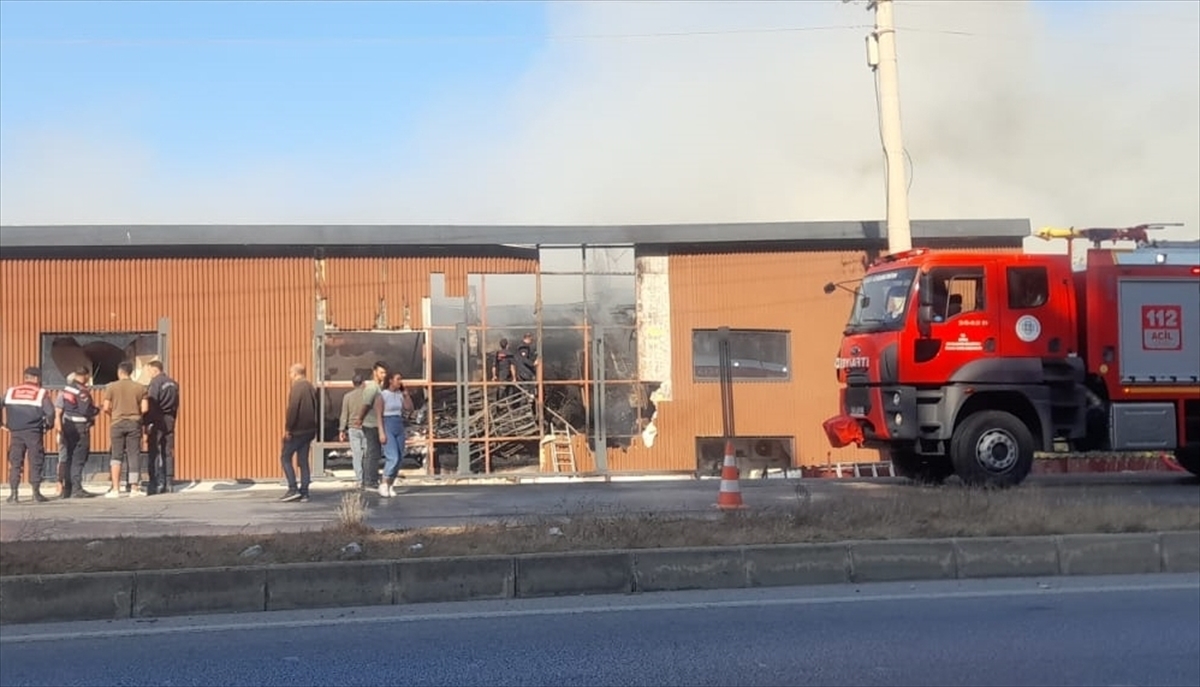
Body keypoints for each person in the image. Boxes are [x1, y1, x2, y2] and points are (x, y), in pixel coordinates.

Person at [1, 367, 56, 503]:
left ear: (25, 377)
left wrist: (2, 423)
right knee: (35, 461)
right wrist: (48, 426)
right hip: (33, 432)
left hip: (16, 432)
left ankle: (13, 495)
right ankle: (36, 494)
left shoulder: (11, 391)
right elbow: (50, 412)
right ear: (37, 378)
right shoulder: (41, 393)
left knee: (15, 462)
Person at [102, 361, 149, 498]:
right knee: (133, 455)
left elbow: (105, 407)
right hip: (134, 423)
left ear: (119, 372)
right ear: (131, 372)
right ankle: (134, 488)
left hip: (116, 423)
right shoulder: (140, 388)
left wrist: (114, 415)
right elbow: (145, 408)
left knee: (116, 456)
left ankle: (116, 489)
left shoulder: (111, 387)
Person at [56, 367, 99, 499]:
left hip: (67, 425)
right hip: (80, 427)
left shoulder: (66, 388)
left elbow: (61, 408)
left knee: (68, 457)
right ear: (85, 376)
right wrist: (96, 410)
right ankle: (77, 489)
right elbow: (85, 410)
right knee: (78, 458)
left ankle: (67, 488)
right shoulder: (82, 391)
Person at [279, 364, 318, 503]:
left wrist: (288, 428)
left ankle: (292, 488)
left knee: (285, 457)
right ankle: (305, 492)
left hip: (298, 430)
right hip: (309, 430)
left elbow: (293, 409)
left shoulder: (297, 387)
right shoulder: (311, 387)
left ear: (295, 373)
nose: (289, 376)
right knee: (303, 461)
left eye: (290, 373)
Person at [144, 360, 180, 494]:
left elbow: (152, 403)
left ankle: (154, 483)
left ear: (154, 370)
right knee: (168, 451)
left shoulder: (155, 383)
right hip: (170, 418)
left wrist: (147, 422)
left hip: (157, 418)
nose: (148, 373)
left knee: (153, 451)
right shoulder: (174, 383)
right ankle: (169, 482)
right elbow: (177, 404)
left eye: (148, 370)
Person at [379, 372, 414, 498]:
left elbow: (409, 408)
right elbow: (379, 415)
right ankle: (383, 482)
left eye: (400, 379)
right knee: (392, 456)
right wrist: (381, 432)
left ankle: (391, 484)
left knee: (399, 457)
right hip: (387, 423)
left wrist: (406, 395)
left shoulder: (399, 395)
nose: (399, 382)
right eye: (397, 379)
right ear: (390, 381)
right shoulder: (383, 395)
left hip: (398, 423)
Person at [355, 361, 388, 493]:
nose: (384, 375)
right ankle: (369, 481)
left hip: (376, 423)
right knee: (372, 453)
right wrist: (360, 418)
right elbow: (366, 404)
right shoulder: (372, 387)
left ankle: (370, 479)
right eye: (381, 372)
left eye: (385, 373)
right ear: (375, 372)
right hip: (370, 424)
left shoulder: (379, 387)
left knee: (374, 453)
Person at [338, 374, 367, 488]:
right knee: (367, 454)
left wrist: (341, 430)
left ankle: (359, 480)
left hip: (353, 428)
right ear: (363, 383)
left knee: (356, 455)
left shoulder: (347, 397)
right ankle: (368, 477)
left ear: (353, 384)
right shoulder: (367, 396)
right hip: (366, 427)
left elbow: (344, 415)